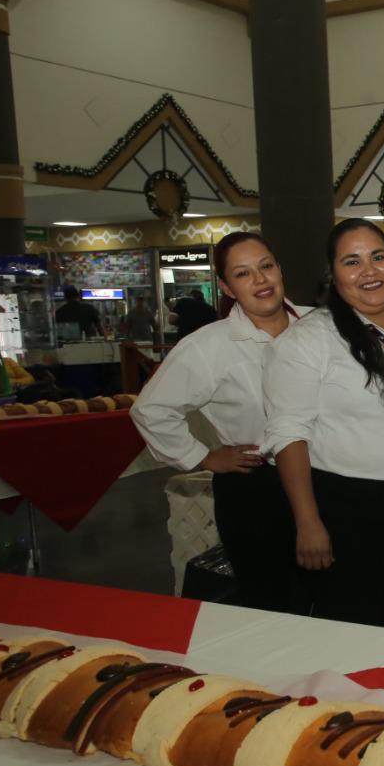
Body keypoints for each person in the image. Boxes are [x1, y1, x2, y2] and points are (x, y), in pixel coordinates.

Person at [262, 219, 384, 631]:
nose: (369, 271)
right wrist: (307, 522)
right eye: (352, 261)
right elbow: (289, 433)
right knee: (353, 626)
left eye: (378, 257)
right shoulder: (311, 339)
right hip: (351, 507)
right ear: (333, 274)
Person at [132, 232, 310, 615]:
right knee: (272, 606)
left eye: (266, 266)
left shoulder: (319, 325)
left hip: (328, 479)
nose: (260, 280)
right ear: (227, 286)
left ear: (280, 269)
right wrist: (203, 455)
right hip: (259, 492)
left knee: (332, 602)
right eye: (243, 274)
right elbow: (150, 409)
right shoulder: (210, 345)